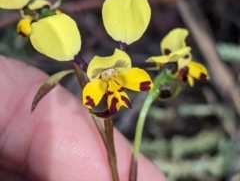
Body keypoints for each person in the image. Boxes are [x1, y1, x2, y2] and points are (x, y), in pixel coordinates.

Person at [0, 56, 167, 181]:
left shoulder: (120, 80)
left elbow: (143, 82)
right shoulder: (94, 89)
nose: (110, 78)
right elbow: (91, 98)